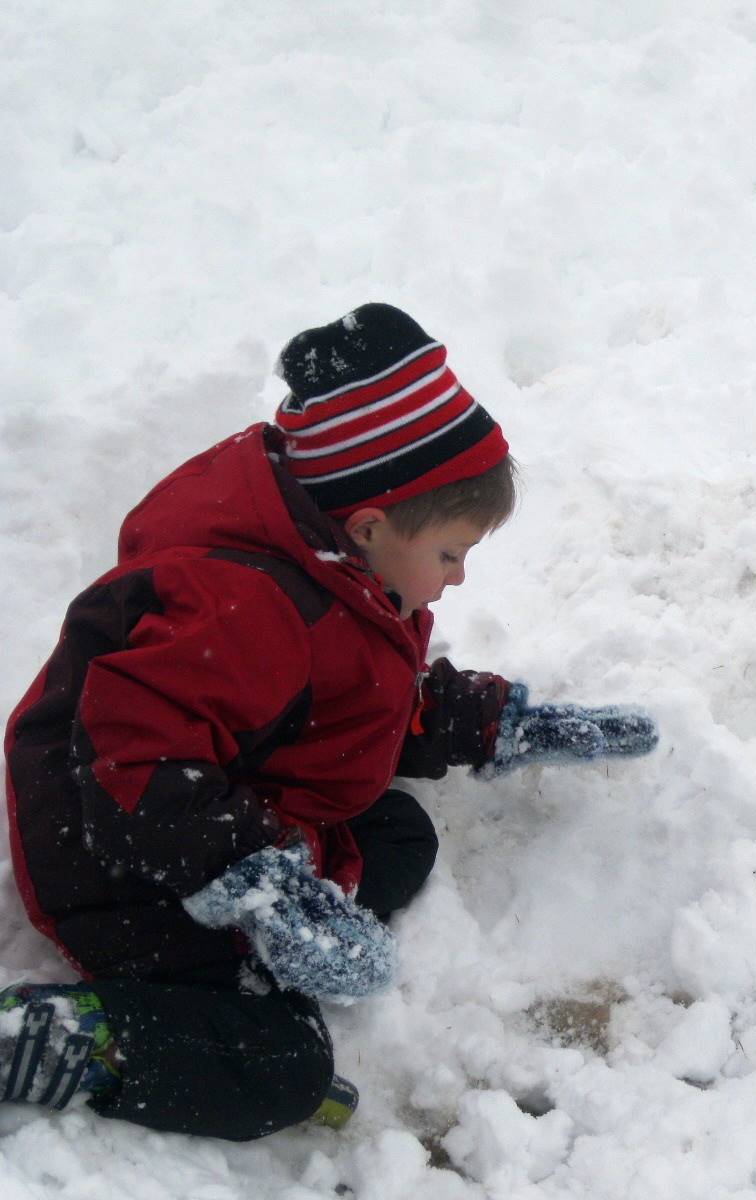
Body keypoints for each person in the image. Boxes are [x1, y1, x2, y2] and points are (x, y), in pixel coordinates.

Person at [2, 303, 658, 1139]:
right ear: (371, 526)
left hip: (216, 790)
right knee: (281, 1069)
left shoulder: (341, 566)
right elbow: (136, 773)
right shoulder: (245, 607)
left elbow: (365, 697)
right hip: (116, 852)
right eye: (452, 553)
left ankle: (269, 925)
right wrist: (265, 893)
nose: (458, 579)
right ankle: (56, 1039)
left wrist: (501, 725)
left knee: (399, 840)